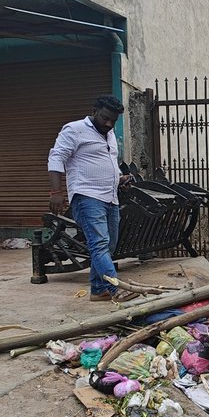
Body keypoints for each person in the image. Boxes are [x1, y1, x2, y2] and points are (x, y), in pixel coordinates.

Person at [47, 95, 131, 301]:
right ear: (94, 111)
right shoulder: (74, 129)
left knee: (109, 245)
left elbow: (103, 163)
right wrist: (56, 193)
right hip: (87, 197)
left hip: (110, 197)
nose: (109, 124)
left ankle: (98, 289)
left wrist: (119, 180)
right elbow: (56, 157)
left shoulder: (109, 134)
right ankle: (114, 289)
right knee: (100, 244)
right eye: (104, 118)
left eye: (113, 120)